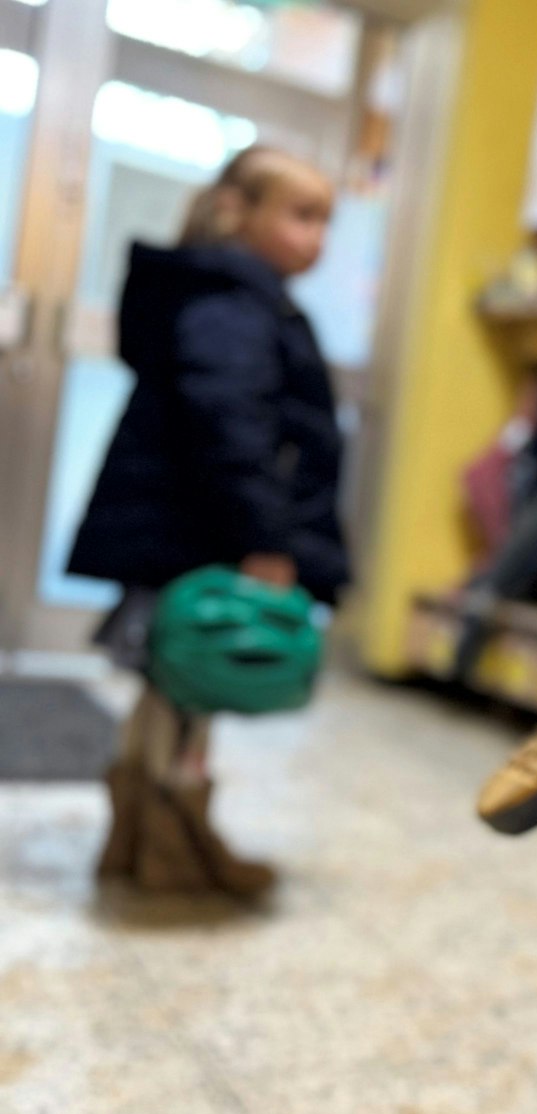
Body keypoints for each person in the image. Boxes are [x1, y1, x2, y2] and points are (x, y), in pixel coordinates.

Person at [68, 145, 347, 897]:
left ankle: (138, 839)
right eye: (301, 215)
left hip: (184, 525)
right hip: (202, 531)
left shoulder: (223, 293)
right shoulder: (234, 303)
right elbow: (229, 422)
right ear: (235, 211)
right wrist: (262, 536)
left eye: (326, 220)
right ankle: (174, 843)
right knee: (192, 685)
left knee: (168, 686)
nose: (317, 237)